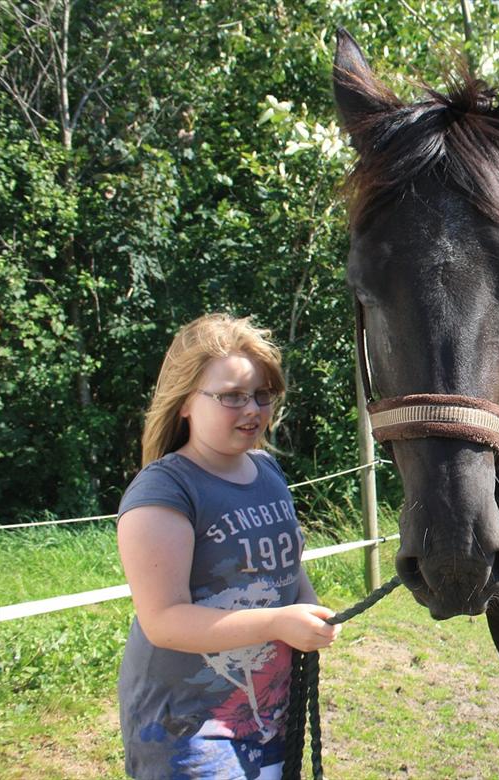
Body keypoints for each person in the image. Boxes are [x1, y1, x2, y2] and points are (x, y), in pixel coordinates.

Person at [116, 313, 340, 780]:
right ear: (184, 401)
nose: (253, 409)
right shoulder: (165, 491)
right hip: (189, 732)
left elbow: (286, 564)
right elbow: (163, 620)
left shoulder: (268, 471)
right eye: (232, 396)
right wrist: (278, 622)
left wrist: (308, 603)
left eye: (262, 394)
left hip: (270, 718)